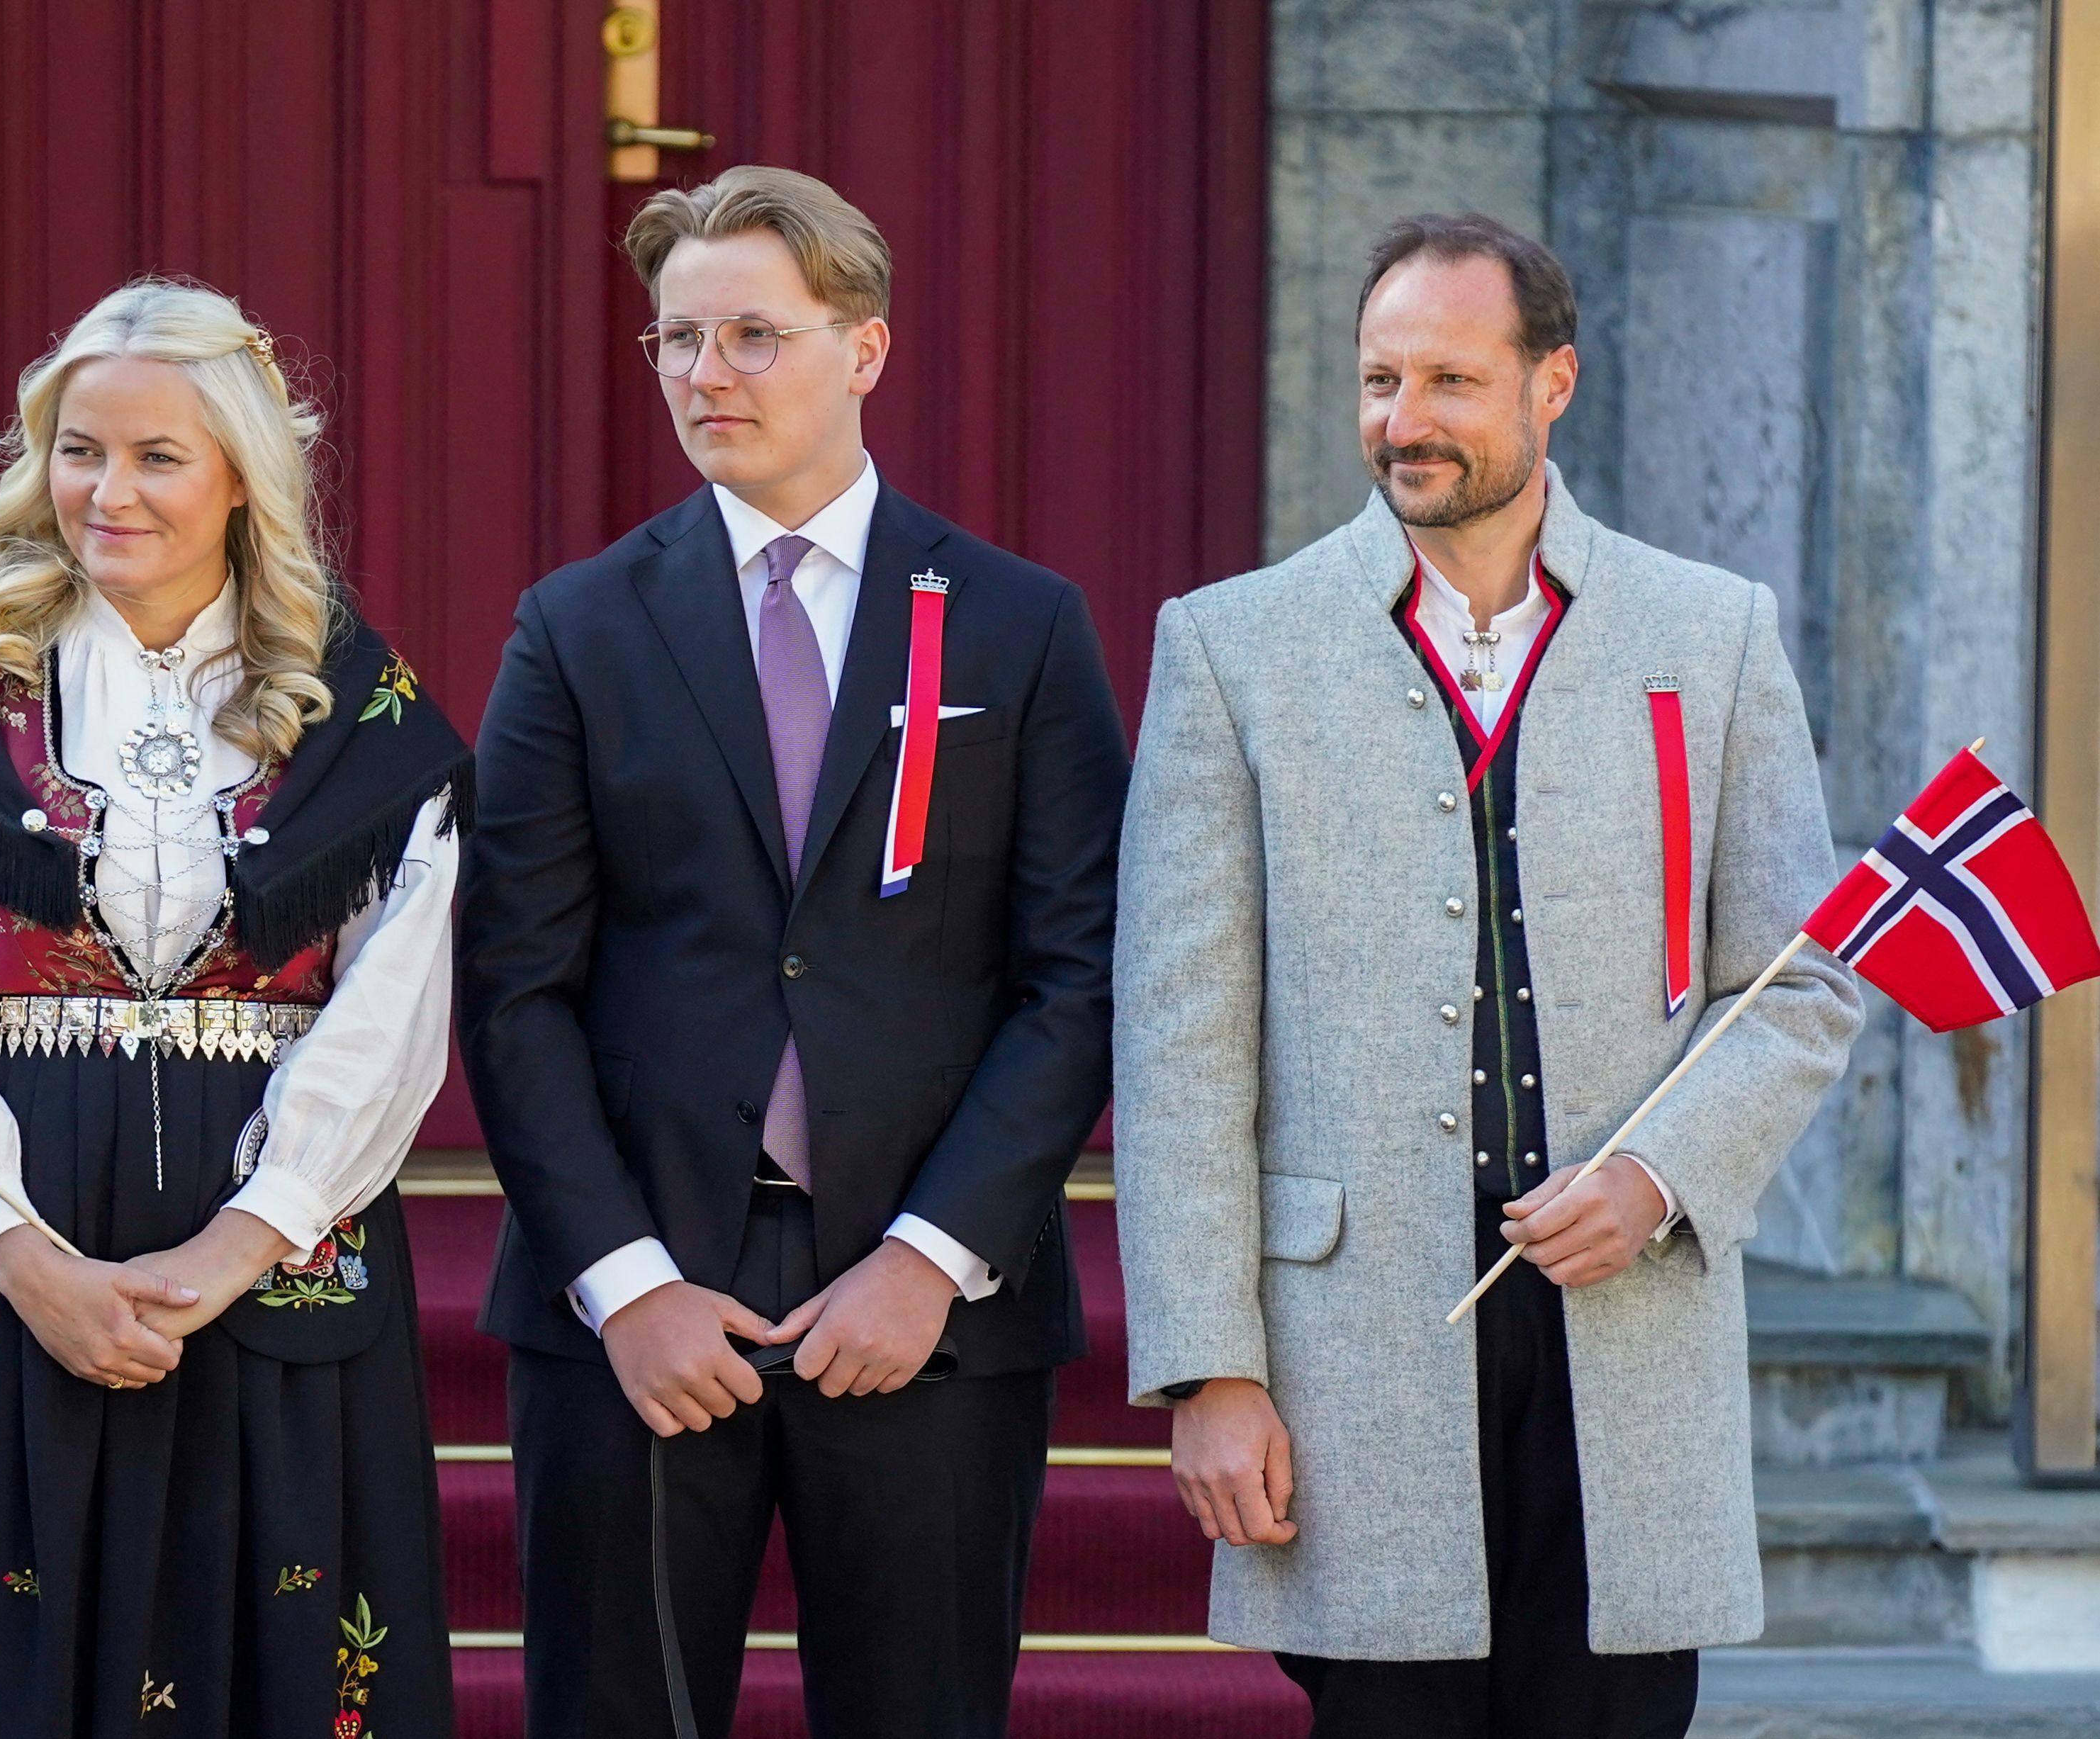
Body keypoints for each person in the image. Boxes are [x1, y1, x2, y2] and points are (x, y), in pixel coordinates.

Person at [1113, 213, 1863, 1739]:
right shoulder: (1230, 650)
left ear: (1550, 384)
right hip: (1356, 1343)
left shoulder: (1707, 635)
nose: (1404, 422)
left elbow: (1796, 981)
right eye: (1378, 380)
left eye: (1449, 380)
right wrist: (1206, 1368)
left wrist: (1656, 1173)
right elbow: (1180, 1038)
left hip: (1626, 1320)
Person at [456, 165, 1128, 1739]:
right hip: (640, 1306)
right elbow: (513, 986)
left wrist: (930, 1259)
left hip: (923, 1308)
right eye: (675, 341)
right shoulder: (577, 628)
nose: (705, 376)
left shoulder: (1017, 627)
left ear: (863, 350)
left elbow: (1078, 973)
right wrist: (624, 1285)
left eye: (751, 335)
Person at [0, 278, 470, 1738]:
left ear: (241, 474)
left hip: (277, 1237)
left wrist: (245, 1238)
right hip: (2, 1232)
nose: (108, 491)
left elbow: (391, 1016)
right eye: (78, 449)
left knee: (277, 1645)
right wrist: (27, 1257)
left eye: (158, 455)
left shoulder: (358, 715)